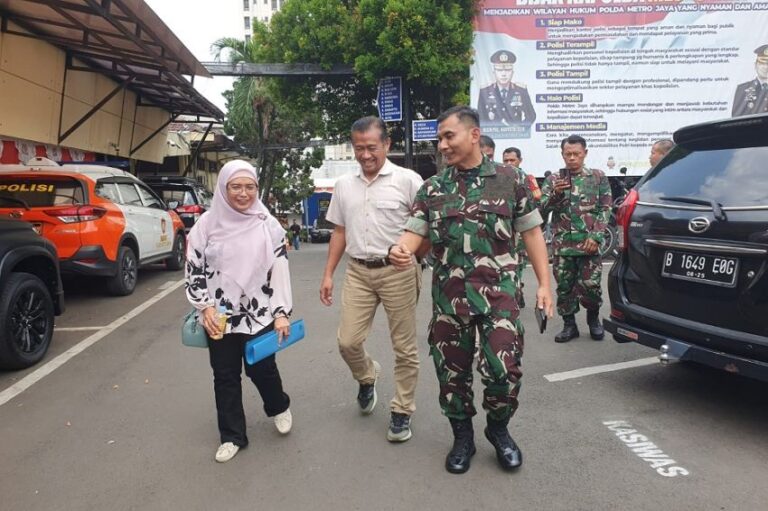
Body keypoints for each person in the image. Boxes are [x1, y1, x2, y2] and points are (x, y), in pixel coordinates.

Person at [389, 106, 554, 474]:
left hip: (501, 296)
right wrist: (400, 251)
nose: (443, 145)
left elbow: (531, 233)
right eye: (440, 139)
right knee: (452, 374)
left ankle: (498, 429)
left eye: (449, 136)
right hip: (450, 298)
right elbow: (413, 234)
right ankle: (462, 435)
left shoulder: (511, 179)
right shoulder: (433, 188)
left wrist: (544, 285)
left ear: (474, 135)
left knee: (504, 370)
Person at [319, 116, 423, 442]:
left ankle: (402, 411)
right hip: (358, 272)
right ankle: (367, 376)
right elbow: (339, 230)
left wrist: (415, 254)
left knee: (404, 347)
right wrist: (328, 275)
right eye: (359, 148)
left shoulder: (408, 181)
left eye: (372, 148)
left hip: (398, 273)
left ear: (387, 145)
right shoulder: (344, 186)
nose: (365, 155)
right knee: (347, 341)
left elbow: (426, 225)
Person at [185, 159, 294, 463]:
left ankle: (278, 405)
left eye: (250, 187)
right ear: (223, 188)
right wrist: (203, 306)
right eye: (236, 187)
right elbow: (194, 266)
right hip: (218, 314)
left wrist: (281, 312)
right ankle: (232, 436)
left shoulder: (267, 223)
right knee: (225, 374)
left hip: (258, 310)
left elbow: (279, 269)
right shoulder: (206, 224)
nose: (243, 193)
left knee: (262, 368)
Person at [539, 135, 612, 343]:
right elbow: (541, 212)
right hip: (563, 246)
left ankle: (593, 320)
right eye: (567, 154)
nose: (572, 158)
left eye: (576, 154)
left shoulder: (598, 177)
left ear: (585, 153)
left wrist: (596, 236)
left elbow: (605, 208)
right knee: (564, 288)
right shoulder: (554, 180)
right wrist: (554, 194)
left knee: (591, 286)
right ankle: (569, 326)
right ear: (562, 154)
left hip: (589, 245)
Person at [501, 146, 542, 308]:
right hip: (506, 232)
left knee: (517, 266)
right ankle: (516, 292)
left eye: (513, 160)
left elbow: (538, 198)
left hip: (524, 231)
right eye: (506, 160)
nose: (509, 163)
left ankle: (516, 292)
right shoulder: (499, 177)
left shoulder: (527, 179)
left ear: (520, 161)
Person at [477, 50, 536, 126]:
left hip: (517, 136)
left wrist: (520, 129)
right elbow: (480, 116)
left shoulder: (521, 91)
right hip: (493, 135)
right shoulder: (484, 91)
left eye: (507, 70)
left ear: (512, 72)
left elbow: (531, 115)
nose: (504, 74)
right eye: (499, 70)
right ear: (494, 72)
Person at [732, 44, 768, 117]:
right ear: (755, 65)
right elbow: (735, 118)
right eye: (762, 64)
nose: (765, 67)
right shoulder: (742, 89)